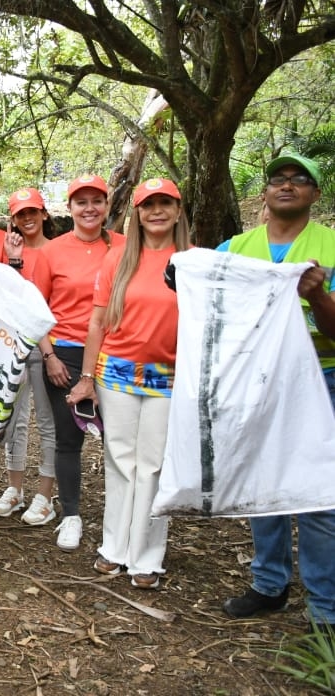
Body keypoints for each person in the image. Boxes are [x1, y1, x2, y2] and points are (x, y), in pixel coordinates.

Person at [219, 153, 335, 624]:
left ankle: (326, 607)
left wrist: (317, 296)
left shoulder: (329, 247)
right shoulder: (236, 247)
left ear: (315, 193)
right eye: (278, 179)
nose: (287, 186)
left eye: (299, 180)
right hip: (257, 379)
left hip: (320, 375)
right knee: (262, 480)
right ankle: (269, 583)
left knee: (317, 491)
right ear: (265, 193)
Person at [68, 178, 189, 589]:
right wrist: (87, 378)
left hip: (168, 377)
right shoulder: (118, 258)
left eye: (165, 204)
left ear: (177, 210)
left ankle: (146, 557)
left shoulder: (191, 259)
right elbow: (98, 321)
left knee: (153, 466)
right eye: (148, 204)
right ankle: (113, 548)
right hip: (116, 373)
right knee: (120, 461)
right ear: (136, 212)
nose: (156, 211)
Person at [33, 174, 125, 551]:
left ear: (107, 206)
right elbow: (36, 311)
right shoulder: (51, 251)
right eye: (81, 202)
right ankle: (71, 514)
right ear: (69, 208)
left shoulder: (125, 246)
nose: (89, 209)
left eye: (96, 201)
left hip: (116, 351)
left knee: (119, 439)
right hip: (65, 353)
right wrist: (49, 355)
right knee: (68, 439)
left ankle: (122, 518)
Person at [0, 187, 58, 526]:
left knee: (47, 421)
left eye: (33, 211)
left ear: (44, 214)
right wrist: (13, 259)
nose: (27, 218)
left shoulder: (58, 250)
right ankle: (14, 489)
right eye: (20, 214)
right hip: (15, 345)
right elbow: (11, 298)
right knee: (13, 418)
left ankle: (45, 494)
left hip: (50, 348)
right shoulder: (9, 254)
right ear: (13, 219)